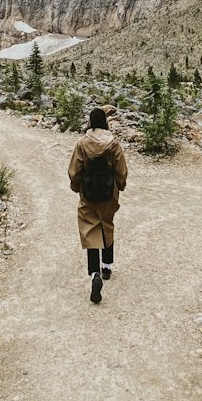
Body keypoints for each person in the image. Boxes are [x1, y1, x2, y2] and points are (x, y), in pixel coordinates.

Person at [68, 107, 128, 305]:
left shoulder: (82, 143)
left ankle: (94, 273)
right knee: (106, 225)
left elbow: (75, 169)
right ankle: (107, 266)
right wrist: (120, 184)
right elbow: (121, 168)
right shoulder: (113, 143)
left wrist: (76, 186)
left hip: (88, 193)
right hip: (108, 193)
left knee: (89, 230)